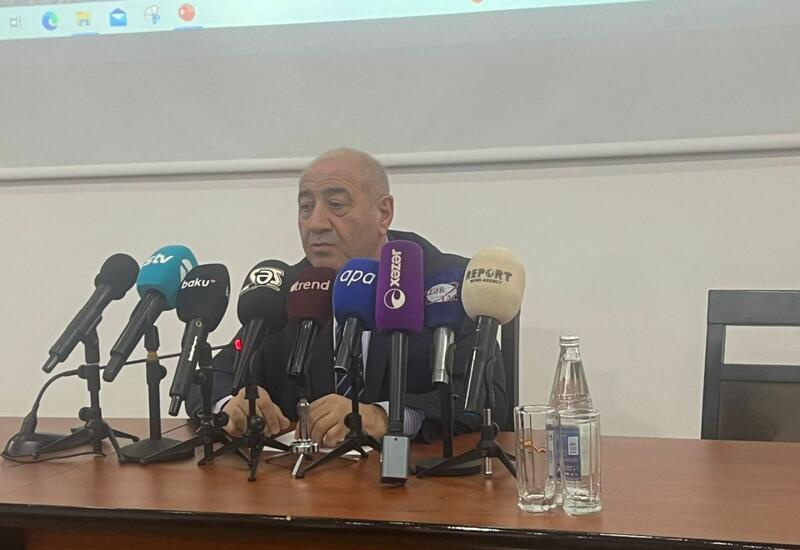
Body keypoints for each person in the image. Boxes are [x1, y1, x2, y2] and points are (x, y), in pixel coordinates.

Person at [186, 148, 507, 446]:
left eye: (336, 205)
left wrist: (384, 416)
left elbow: (486, 397)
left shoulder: (446, 283)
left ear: (384, 213)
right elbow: (216, 374)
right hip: (307, 481)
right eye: (306, 207)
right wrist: (231, 404)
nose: (315, 224)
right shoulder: (292, 289)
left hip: (418, 480)